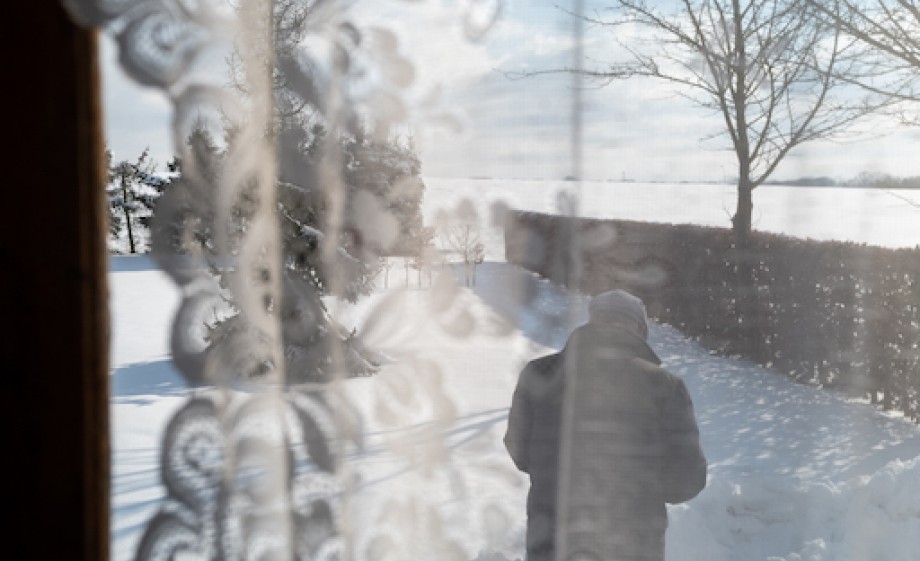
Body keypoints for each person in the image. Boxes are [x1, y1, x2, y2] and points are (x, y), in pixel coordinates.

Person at [504, 289, 707, 561]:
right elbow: (686, 481)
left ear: (593, 321)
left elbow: (519, 451)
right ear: (638, 328)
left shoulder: (537, 374)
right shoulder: (664, 386)